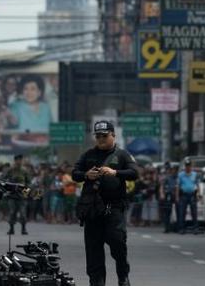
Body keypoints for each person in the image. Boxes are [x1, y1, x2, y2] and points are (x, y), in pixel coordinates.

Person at [72, 120, 138, 286]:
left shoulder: (122, 154)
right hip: (93, 210)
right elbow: (75, 173)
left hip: (114, 208)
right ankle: (97, 283)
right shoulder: (88, 154)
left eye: (104, 136)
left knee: (117, 242)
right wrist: (86, 175)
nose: (101, 139)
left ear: (113, 135)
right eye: (98, 136)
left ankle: (123, 275)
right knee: (94, 250)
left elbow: (134, 173)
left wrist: (115, 172)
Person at [4, 154, 31, 235]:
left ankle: (23, 229)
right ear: (15, 161)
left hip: (22, 195)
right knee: (12, 212)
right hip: (12, 195)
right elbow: (5, 180)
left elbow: (28, 183)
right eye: (18, 160)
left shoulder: (24, 171)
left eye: (20, 160)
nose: (19, 161)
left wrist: (26, 194)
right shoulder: (10, 170)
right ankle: (11, 228)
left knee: (23, 213)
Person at [175, 159, 200, 234]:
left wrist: (198, 194)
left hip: (192, 194)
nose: (188, 167)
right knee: (182, 212)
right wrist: (177, 196)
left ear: (191, 166)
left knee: (194, 213)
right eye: (186, 166)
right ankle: (182, 228)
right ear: (185, 166)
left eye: (189, 166)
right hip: (184, 195)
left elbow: (197, 185)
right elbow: (178, 186)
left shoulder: (194, 174)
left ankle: (195, 228)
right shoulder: (181, 175)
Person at [159, 163, 178, 233]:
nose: (173, 171)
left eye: (175, 169)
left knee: (176, 212)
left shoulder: (178, 177)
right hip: (168, 195)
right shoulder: (167, 178)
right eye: (172, 169)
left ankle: (176, 228)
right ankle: (166, 228)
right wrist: (162, 194)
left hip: (176, 195)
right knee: (167, 212)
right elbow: (162, 186)